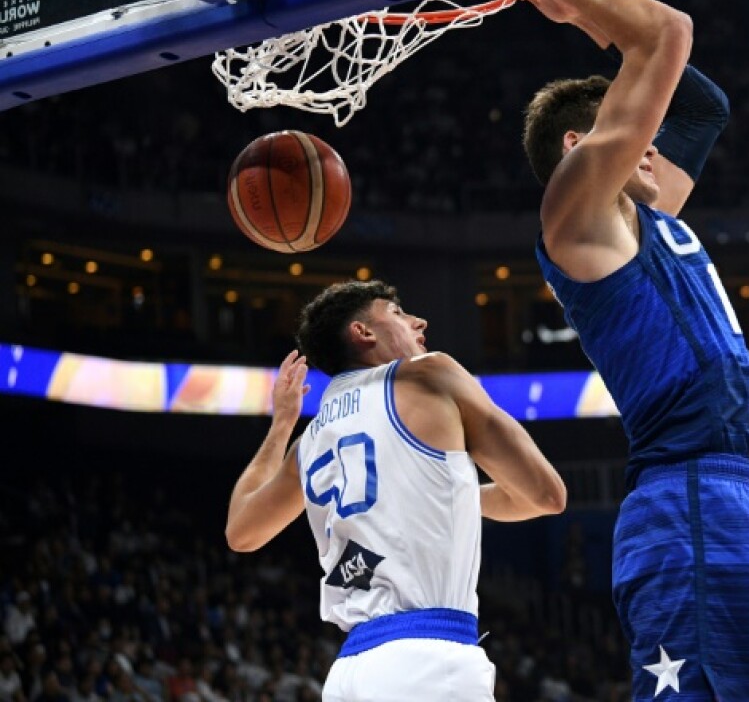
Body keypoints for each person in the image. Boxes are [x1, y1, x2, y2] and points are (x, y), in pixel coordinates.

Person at [506, 0, 749, 700]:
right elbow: (669, 32)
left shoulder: (651, 212)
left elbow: (702, 110)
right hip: (686, 496)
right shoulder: (578, 216)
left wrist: (582, 22)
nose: (653, 142)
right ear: (579, 146)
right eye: (632, 128)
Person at [225, 280, 567, 702]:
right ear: (363, 332)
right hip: (428, 660)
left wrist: (281, 424)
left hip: (349, 671)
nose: (418, 321)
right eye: (397, 312)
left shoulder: (310, 439)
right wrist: (456, 494)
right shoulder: (431, 374)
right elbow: (547, 495)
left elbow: (241, 531)